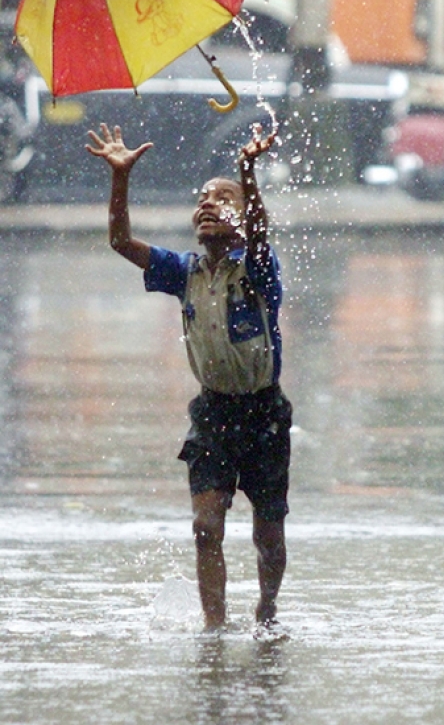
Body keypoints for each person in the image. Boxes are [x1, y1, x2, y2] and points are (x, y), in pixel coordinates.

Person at [86, 123, 292, 634]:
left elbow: (261, 233)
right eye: (201, 198)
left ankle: (266, 608)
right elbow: (119, 242)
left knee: (268, 536)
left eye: (222, 200)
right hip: (213, 412)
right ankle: (215, 630)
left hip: (265, 413)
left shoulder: (259, 270)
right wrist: (120, 178)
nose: (206, 205)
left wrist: (248, 172)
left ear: (243, 220)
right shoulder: (185, 273)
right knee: (205, 527)